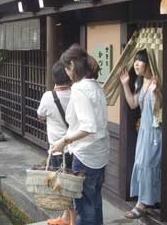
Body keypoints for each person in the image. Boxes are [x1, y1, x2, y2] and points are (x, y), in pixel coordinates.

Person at [51, 44, 110, 225]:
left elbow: (88, 126)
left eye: (67, 68)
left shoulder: (79, 89)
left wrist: (64, 140)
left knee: (84, 209)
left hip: (85, 156)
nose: (67, 73)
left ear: (72, 66)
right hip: (100, 154)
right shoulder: (96, 86)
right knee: (95, 203)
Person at [120, 50, 162, 219]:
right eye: (135, 61)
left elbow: (161, 107)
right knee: (143, 164)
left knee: (148, 165)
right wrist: (125, 83)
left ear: (149, 62)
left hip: (156, 131)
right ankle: (149, 200)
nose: (136, 64)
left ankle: (142, 204)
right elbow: (132, 104)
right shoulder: (141, 82)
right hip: (144, 131)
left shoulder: (157, 81)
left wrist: (157, 91)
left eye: (140, 61)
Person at [37, 61, 74, 225]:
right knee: (72, 185)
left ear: (55, 78)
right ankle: (66, 218)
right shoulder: (75, 94)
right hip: (74, 149)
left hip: (57, 150)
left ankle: (73, 222)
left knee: (65, 189)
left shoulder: (48, 96)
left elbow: (40, 114)